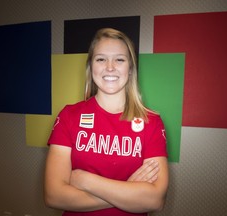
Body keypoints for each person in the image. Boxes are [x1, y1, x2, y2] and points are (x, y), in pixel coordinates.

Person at [44, 28, 169, 216]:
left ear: (130, 68)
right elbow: (54, 196)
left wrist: (86, 180)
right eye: (101, 59)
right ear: (90, 67)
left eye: (119, 59)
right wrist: (127, 191)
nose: (110, 67)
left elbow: (155, 200)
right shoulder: (69, 116)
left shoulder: (151, 122)